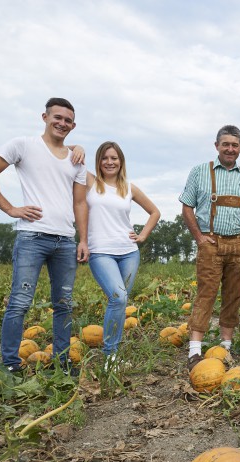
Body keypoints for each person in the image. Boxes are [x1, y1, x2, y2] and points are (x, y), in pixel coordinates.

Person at [0, 97, 88, 374]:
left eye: (68, 120)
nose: (62, 123)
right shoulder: (22, 145)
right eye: (57, 117)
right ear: (45, 117)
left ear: (73, 126)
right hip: (32, 238)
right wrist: (10, 208)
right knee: (20, 302)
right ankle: (11, 365)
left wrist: (82, 239)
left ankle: (61, 362)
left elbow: (80, 203)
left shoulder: (77, 160)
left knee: (64, 304)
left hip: (64, 241)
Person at [179, 125, 240, 370]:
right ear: (216, 146)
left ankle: (225, 347)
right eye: (225, 144)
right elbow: (187, 207)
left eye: (234, 145)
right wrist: (199, 237)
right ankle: (195, 349)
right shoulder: (200, 172)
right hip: (211, 243)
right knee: (206, 293)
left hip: (239, 243)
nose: (230, 149)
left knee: (233, 295)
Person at [86, 141, 160, 371]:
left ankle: (113, 355)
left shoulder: (129, 188)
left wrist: (142, 235)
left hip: (128, 252)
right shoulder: (90, 182)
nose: (110, 162)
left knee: (121, 300)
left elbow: (155, 212)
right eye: (105, 158)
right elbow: (67, 156)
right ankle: (110, 356)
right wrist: (77, 147)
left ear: (121, 162)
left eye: (114, 158)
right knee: (118, 297)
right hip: (100, 251)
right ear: (98, 161)